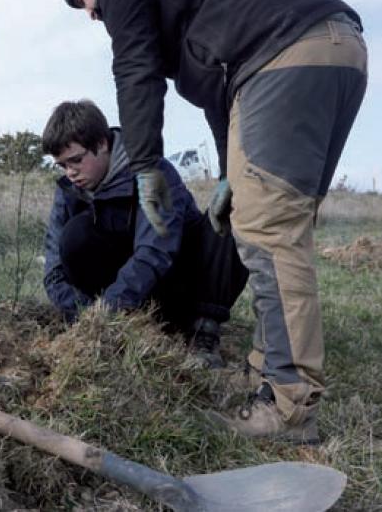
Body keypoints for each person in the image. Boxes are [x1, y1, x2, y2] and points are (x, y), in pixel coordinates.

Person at [58, 0, 368, 442]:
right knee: (275, 224)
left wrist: (146, 162)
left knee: (270, 233)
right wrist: (227, 171)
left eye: (82, 0)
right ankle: (267, 370)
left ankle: (289, 408)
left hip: (284, 56)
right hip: (334, 50)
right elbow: (219, 94)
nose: (91, 15)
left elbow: (135, 65)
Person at [43, 99, 248, 367]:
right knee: (74, 237)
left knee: (232, 216)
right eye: (62, 165)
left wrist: (106, 310)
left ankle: (203, 333)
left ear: (103, 144)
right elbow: (53, 272)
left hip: (180, 284)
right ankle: (131, 325)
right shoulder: (67, 192)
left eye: (77, 160)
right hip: (128, 302)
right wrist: (86, 315)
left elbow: (155, 252)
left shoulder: (154, 172)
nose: (70, 172)